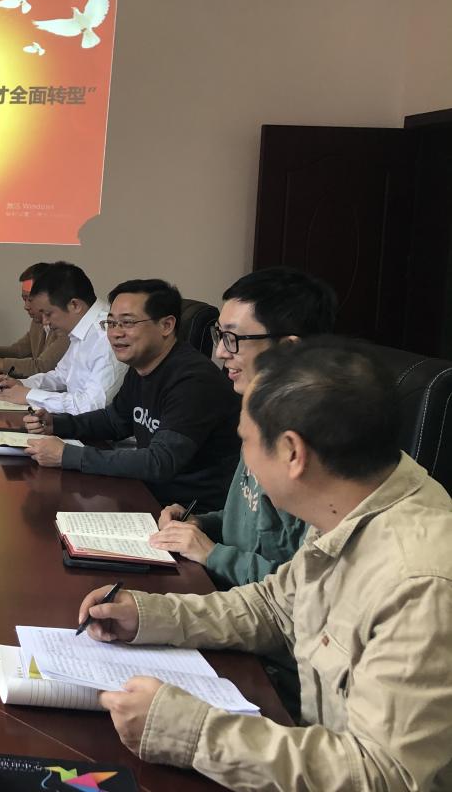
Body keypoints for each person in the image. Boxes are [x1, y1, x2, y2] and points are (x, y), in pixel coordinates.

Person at [77, 339, 452, 791]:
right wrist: (149, 615)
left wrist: (190, 732)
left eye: (246, 441)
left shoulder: (420, 582)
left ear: (293, 453)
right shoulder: (351, 502)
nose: (245, 461)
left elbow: (384, 776)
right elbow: (275, 607)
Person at [150, 266, 337, 587]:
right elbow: (252, 523)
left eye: (233, 338)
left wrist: (213, 554)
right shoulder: (263, 412)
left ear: (288, 349)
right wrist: (200, 524)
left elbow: (305, 589)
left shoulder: (318, 446)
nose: (220, 351)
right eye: (219, 335)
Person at [23, 279, 239, 510]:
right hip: (146, 492)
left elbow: (160, 462)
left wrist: (68, 455)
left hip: (186, 512)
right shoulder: (143, 366)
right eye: (111, 323)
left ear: (166, 325)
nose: (116, 333)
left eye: (127, 323)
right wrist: (57, 424)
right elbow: (114, 421)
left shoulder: (193, 380)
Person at [0, 261, 125, 414]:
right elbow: (61, 375)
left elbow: (93, 405)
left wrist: (29, 395)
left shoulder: (106, 333)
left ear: (74, 305)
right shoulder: (82, 328)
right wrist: (21, 384)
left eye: (48, 314)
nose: (45, 322)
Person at [0, 262, 70, 377]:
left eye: (30, 300)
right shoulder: (37, 322)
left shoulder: (65, 327)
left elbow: (41, 367)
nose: (26, 306)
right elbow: (19, 351)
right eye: (24, 299)